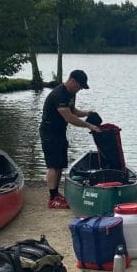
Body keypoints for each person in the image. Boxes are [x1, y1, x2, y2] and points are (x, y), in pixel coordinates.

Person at [39, 69, 100, 208]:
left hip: (60, 131)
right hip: (49, 132)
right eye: (79, 86)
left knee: (60, 163)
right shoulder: (59, 94)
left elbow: (73, 111)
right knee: (53, 165)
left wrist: (87, 113)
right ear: (72, 81)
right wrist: (89, 125)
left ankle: (56, 193)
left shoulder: (70, 94)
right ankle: (52, 198)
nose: (80, 89)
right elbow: (69, 117)